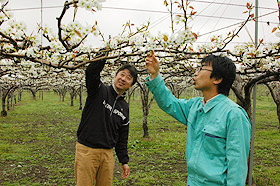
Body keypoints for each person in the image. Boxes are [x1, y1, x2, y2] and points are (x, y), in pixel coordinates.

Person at [145, 50, 251, 185]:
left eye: (202, 68)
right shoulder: (195, 107)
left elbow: (237, 166)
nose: (196, 73)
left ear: (217, 79)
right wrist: (155, 75)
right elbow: (169, 103)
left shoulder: (234, 115)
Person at [75, 50, 138, 186]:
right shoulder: (98, 90)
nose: (123, 79)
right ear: (115, 76)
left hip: (107, 155)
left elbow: (122, 136)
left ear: (131, 85)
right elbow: (91, 73)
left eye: (128, 78)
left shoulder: (125, 107)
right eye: (122, 75)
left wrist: (124, 161)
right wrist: (103, 55)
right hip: (87, 150)